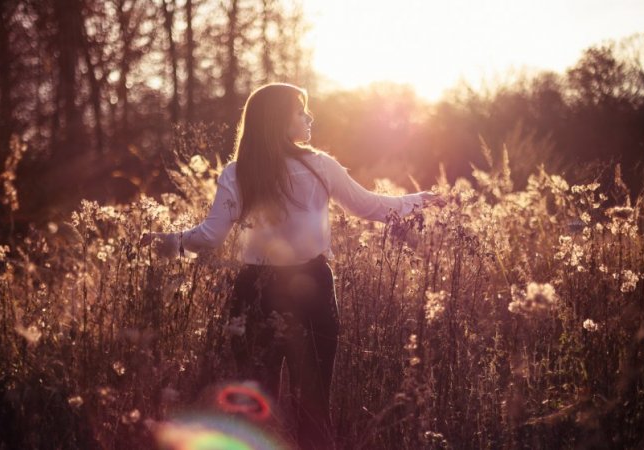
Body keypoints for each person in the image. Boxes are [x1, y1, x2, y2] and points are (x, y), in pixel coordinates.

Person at [142, 83, 444, 449]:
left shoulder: (244, 172)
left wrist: (166, 243)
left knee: (255, 409)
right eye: (301, 111)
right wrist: (416, 202)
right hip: (308, 290)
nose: (309, 117)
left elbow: (208, 237)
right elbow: (369, 207)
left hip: (255, 292)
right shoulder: (311, 166)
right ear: (278, 121)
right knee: (311, 407)